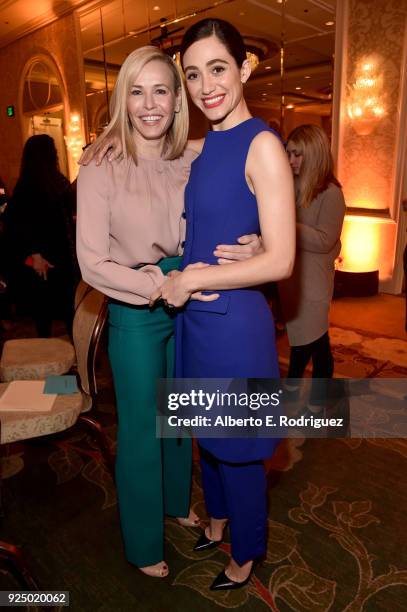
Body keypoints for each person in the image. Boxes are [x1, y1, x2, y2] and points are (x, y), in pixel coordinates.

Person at [76, 45, 261, 579]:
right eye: (137, 91)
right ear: (122, 99)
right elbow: (92, 263)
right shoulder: (99, 163)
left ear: (179, 99)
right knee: (140, 426)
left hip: (193, 299)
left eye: (162, 90)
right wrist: (156, 286)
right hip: (136, 303)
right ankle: (140, 541)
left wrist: (261, 241)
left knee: (181, 414)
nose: (150, 104)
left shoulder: (195, 154)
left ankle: (177, 503)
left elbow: (257, 181)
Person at [150, 18, 295, 590]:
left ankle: (246, 554)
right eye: (193, 74)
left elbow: (282, 260)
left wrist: (191, 277)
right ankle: (215, 522)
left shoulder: (262, 144)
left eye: (218, 68)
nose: (206, 85)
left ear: (245, 68)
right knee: (205, 435)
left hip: (235, 323)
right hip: (199, 321)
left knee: (236, 448)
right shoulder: (209, 144)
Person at [280, 124, 345, 407]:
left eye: (298, 155)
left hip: (315, 282)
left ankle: (302, 391)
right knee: (314, 339)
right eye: (289, 153)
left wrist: (284, 225)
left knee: (309, 339)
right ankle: (316, 391)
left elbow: (325, 240)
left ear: (315, 155)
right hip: (295, 278)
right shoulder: (291, 184)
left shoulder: (331, 192)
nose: (291, 160)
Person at [4, 135, 78, 337]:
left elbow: (68, 203)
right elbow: (18, 223)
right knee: (44, 313)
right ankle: (49, 357)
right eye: (51, 149)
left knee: (70, 309)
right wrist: (34, 254)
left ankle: (78, 357)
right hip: (44, 260)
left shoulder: (56, 178)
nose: (55, 153)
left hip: (63, 256)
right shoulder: (27, 185)